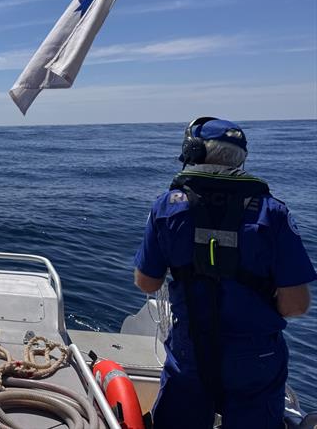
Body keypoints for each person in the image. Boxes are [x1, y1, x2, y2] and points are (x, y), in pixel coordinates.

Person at [133, 117, 315, 429]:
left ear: (192, 152)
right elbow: (295, 305)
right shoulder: (273, 212)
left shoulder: (168, 206)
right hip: (256, 358)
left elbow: (147, 282)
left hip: (190, 352)